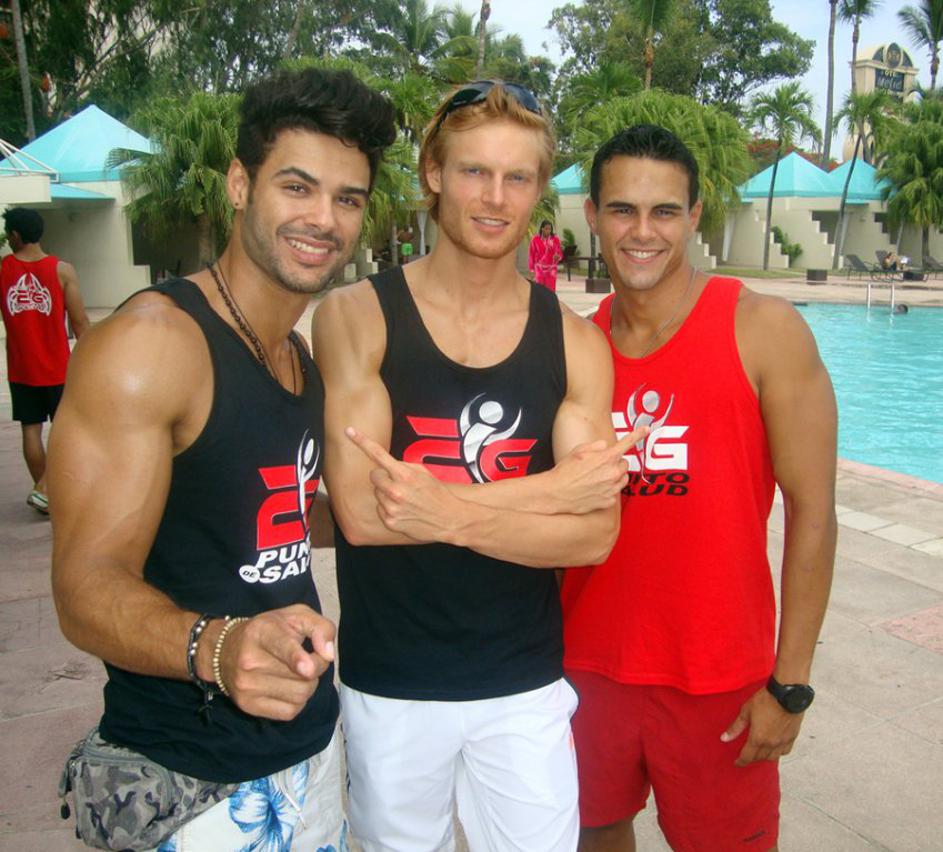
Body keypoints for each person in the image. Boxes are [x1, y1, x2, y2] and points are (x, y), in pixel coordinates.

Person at [47, 68, 396, 850]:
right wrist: (220, 646)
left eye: (347, 199)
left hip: (307, 752)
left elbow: (258, 517)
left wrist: (414, 509)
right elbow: (84, 586)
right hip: (189, 779)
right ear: (240, 184)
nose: (323, 219)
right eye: (297, 187)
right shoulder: (152, 347)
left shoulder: (297, 360)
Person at [313, 80, 641, 851]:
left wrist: (439, 509)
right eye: (473, 172)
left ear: (537, 188)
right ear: (432, 173)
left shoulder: (574, 342)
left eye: (516, 177)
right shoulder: (356, 317)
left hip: (521, 682)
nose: (495, 198)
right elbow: (361, 516)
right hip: (391, 682)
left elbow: (592, 535)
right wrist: (549, 490)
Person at [560, 125, 838, 852]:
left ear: (693, 215)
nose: (642, 231)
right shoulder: (575, 347)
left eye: (663, 211)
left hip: (719, 676)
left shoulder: (763, 330)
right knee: (593, 832)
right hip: (585, 665)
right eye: (622, 210)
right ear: (592, 215)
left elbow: (813, 511)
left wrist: (790, 684)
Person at [1, 207, 89, 515]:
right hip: (59, 368)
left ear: (15, 234)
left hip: (21, 368)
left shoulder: (3, 269)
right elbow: (79, 322)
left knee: (31, 430)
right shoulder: (62, 270)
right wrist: (89, 358)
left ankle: (45, 493)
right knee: (67, 431)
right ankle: (47, 490)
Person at [529, 218, 563, 291]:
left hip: (551, 269)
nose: (548, 231)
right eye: (546, 229)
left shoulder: (555, 239)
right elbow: (532, 254)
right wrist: (531, 269)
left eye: (549, 229)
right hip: (539, 269)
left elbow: (560, 253)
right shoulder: (535, 239)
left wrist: (557, 256)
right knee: (539, 289)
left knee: (550, 290)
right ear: (542, 229)